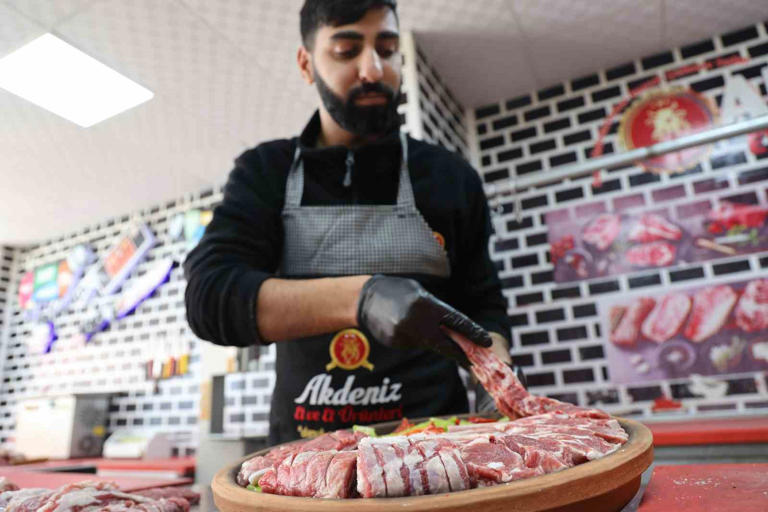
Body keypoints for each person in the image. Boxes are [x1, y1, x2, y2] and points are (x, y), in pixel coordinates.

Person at [184, 0, 515, 445]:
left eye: (387, 48)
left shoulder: (449, 177)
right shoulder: (266, 172)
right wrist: (363, 297)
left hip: (437, 448)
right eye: (346, 50)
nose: (374, 69)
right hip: (306, 455)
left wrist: (497, 374)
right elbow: (210, 296)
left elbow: (484, 304)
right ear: (307, 64)